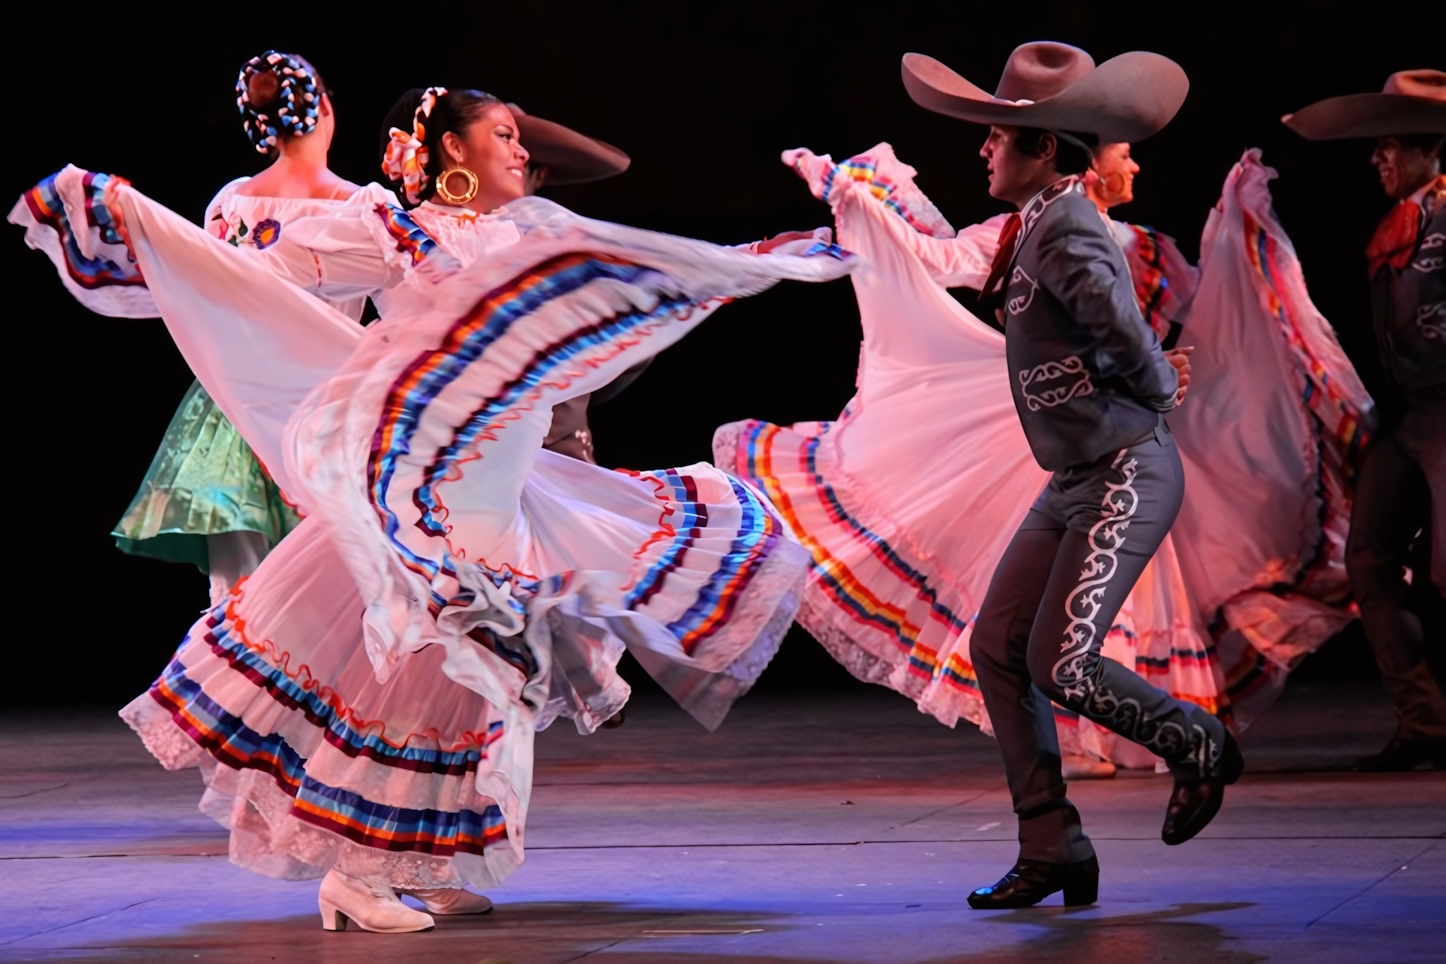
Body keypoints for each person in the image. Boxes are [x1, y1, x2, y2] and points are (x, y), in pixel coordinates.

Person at [12, 86, 851, 933]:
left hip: (506, 490)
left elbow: (628, 281)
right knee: (423, 670)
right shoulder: (392, 228)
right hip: (431, 498)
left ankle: (423, 854)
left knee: (483, 689)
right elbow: (266, 269)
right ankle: (351, 872)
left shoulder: (529, 233)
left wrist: (760, 260)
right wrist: (142, 221)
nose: (523, 152)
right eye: (504, 135)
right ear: (452, 151)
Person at [901, 42, 1243, 908]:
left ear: (1043, 148)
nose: (983, 148)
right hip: (1074, 479)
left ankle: (1193, 738)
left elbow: (1119, 324)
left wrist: (1158, 382)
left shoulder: (1066, 224)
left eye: (996, 137)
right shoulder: (1035, 226)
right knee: (997, 648)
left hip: (1125, 469)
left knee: (1064, 662)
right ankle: (1054, 846)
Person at [105, 52, 363, 604]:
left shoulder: (230, 201)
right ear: (323, 110)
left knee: (239, 596)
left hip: (232, 406)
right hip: (325, 410)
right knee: (333, 597)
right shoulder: (364, 208)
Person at [1284, 70, 1446, 771]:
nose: (1377, 159)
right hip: (1411, 415)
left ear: (1428, 149)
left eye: (1388, 146)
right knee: (1370, 555)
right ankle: (1424, 721)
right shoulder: (1396, 224)